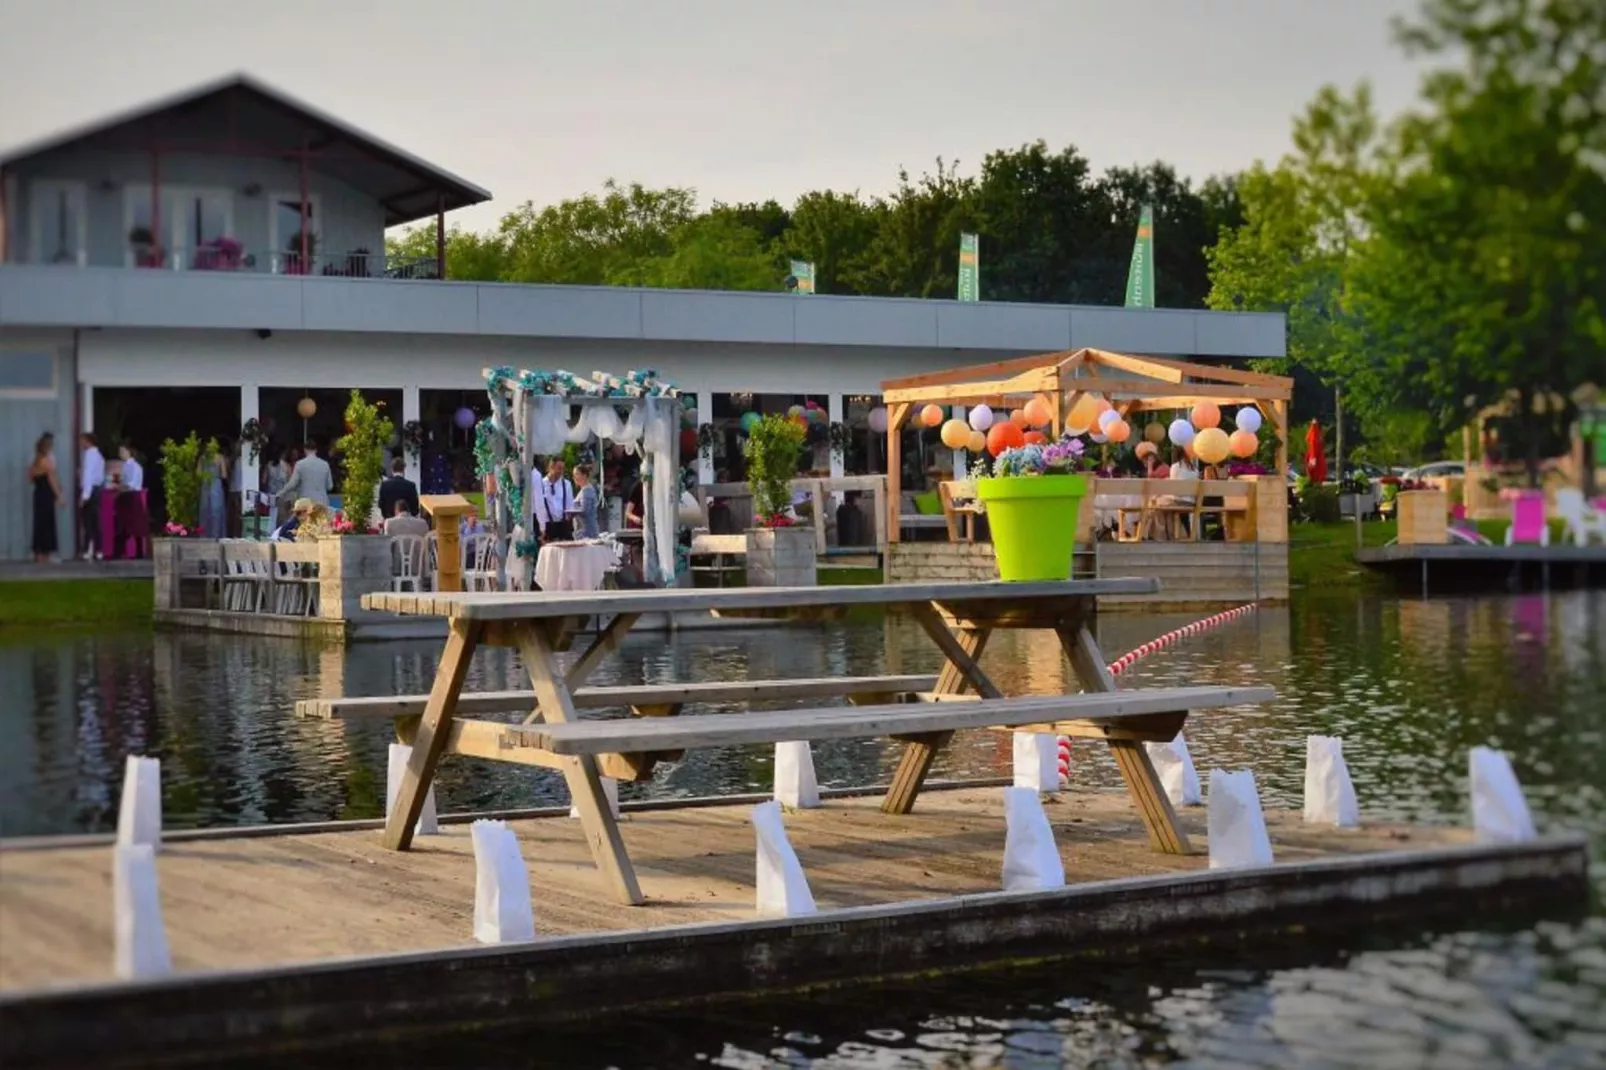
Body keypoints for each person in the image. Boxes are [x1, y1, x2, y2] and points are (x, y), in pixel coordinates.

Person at [29, 433, 64, 563]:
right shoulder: (47, 461)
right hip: (47, 494)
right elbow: (52, 479)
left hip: (38, 493)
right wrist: (59, 496)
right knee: (48, 522)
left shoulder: (35, 460)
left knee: (39, 523)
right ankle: (47, 554)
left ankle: (38, 553)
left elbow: (31, 478)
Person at [113, 443, 149, 559]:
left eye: (122, 451)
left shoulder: (135, 466)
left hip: (132, 496)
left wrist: (122, 486)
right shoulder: (125, 466)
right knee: (123, 525)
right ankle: (119, 551)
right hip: (125, 496)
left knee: (135, 525)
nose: (120, 454)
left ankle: (138, 552)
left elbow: (133, 484)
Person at [276, 440, 333, 510]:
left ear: (305, 450)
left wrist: (281, 492)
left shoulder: (300, 464)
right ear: (316, 450)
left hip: (306, 503)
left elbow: (292, 483)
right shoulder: (325, 464)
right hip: (322, 503)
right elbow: (330, 486)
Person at [533, 458, 574, 542]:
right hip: (547, 526)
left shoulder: (566, 484)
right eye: (559, 468)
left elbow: (570, 505)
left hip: (562, 525)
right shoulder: (541, 483)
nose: (561, 471)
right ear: (551, 467)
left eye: (563, 468)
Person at [79, 432, 105, 559]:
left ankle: (86, 550)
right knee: (95, 520)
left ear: (88, 441)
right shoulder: (99, 456)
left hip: (91, 490)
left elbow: (88, 476)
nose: (81, 444)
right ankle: (98, 549)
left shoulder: (89, 455)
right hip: (97, 489)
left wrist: (85, 496)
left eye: (82, 441)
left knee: (88, 521)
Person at [198, 439, 228, 538]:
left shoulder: (202, 458)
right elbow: (224, 475)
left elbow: (198, 474)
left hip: (205, 484)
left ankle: (204, 535)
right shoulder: (220, 457)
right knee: (217, 510)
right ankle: (216, 535)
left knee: (205, 509)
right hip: (216, 484)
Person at [569, 463, 600, 539]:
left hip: (586, 532)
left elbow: (585, 511)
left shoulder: (587, 491)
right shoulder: (585, 490)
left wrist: (571, 512)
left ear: (584, 475)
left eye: (577, 474)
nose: (574, 477)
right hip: (584, 530)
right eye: (574, 475)